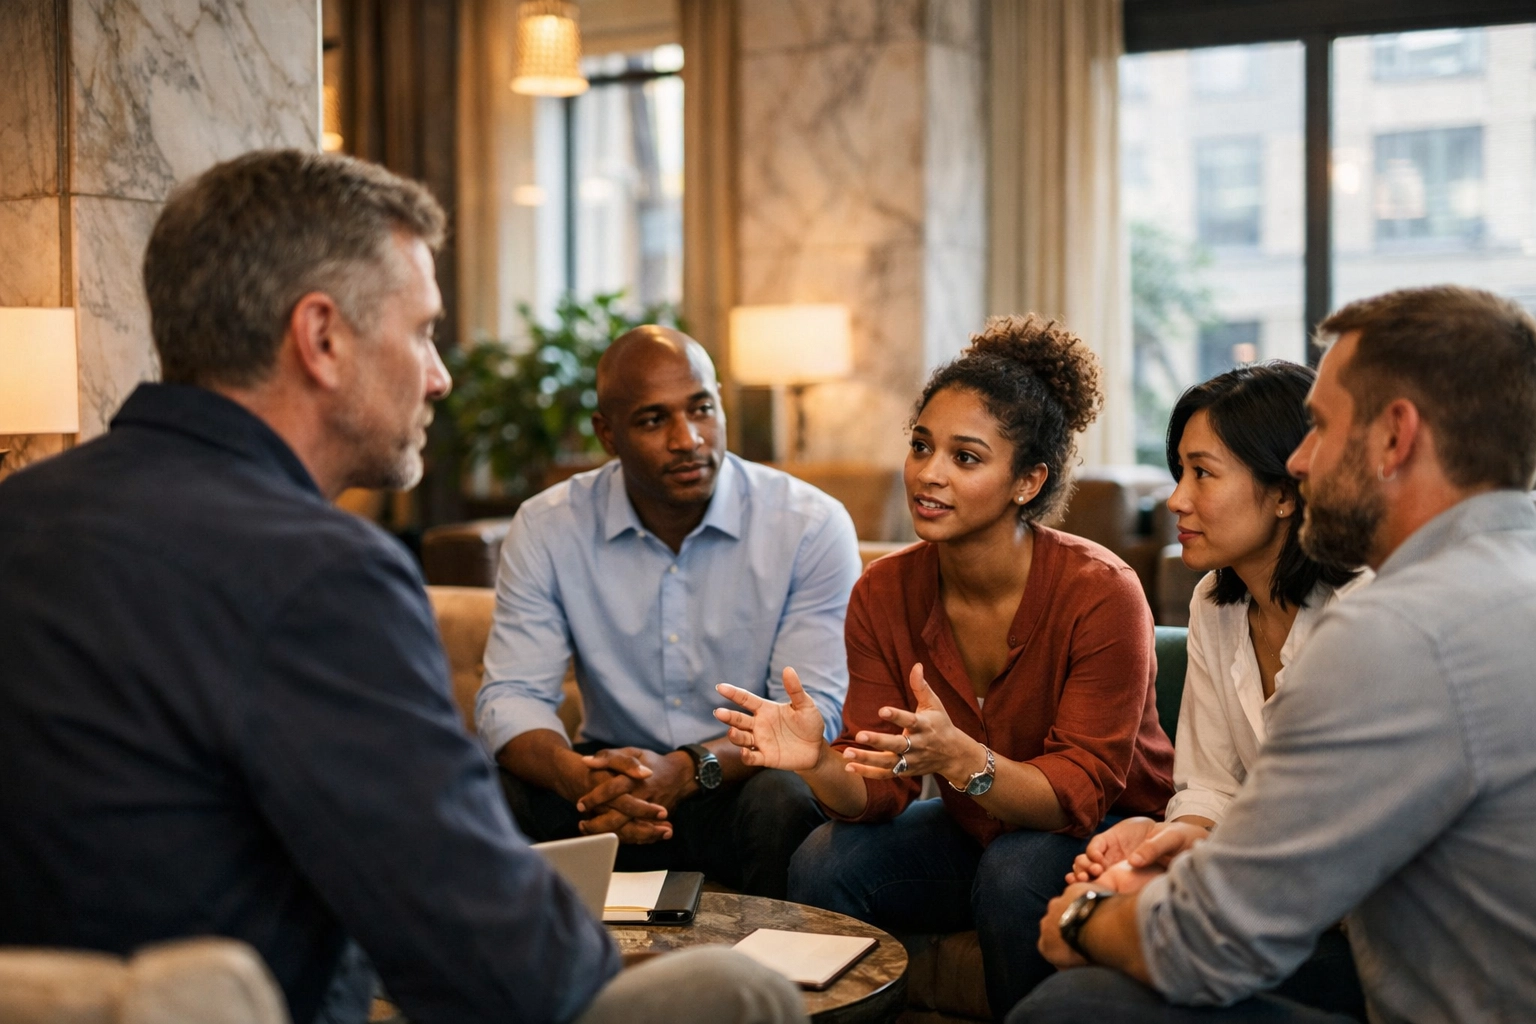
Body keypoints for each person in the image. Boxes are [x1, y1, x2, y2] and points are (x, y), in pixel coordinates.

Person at [0, 149, 805, 1024]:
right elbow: (505, 965)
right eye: (422, 331)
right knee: (736, 995)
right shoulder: (322, 574)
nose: (440, 375)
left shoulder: (20, 514)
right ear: (321, 338)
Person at [1016, 285, 1536, 1023]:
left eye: (1320, 426)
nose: (1300, 459)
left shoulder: (1398, 630)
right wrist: (1183, 844)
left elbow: (1213, 941)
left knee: (1075, 1004)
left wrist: (1083, 919)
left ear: (1395, 436)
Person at [715, 314, 1176, 1015]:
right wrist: (820, 764)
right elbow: (879, 791)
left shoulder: (1100, 590)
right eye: (921, 446)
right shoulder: (884, 588)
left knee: (1017, 868)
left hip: (1105, 830)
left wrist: (964, 761)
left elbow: (1080, 791)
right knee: (823, 856)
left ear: (1028, 480)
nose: (928, 474)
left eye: (965, 457)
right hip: (975, 828)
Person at [476, 325, 861, 899]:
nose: (688, 439)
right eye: (654, 420)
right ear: (607, 434)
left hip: (735, 780)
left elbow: (811, 712)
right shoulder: (548, 524)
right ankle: (524, 984)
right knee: (479, 786)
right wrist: (577, 776)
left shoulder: (808, 524)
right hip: (604, 782)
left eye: (701, 409)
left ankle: (782, 985)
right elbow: (512, 697)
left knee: (787, 797)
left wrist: (686, 770)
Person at [1066, 362, 1369, 1016]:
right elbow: (1208, 784)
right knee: (1033, 880)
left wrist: (1171, 874)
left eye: (1202, 473)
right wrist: (1170, 837)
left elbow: (1321, 835)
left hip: (1354, 924)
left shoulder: (1365, 615)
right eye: (1179, 471)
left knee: (1090, 973)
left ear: (1287, 489)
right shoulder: (1214, 599)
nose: (1177, 499)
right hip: (1261, 882)